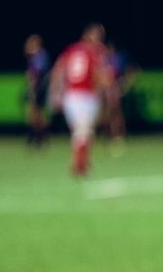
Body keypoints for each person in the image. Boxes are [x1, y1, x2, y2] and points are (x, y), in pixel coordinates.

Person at [49, 23, 111, 177]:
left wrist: (56, 91)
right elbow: (99, 74)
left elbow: (58, 69)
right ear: (89, 35)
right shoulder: (95, 52)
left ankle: (83, 163)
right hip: (85, 96)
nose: (99, 39)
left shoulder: (71, 49)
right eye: (97, 36)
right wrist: (108, 86)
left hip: (71, 96)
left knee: (82, 132)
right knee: (83, 132)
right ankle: (78, 165)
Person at [102, 41, 138, 155]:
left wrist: (124, 85)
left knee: (116, 112)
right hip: (106, 89)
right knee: (108, 113)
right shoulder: (104, 59)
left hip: (115, 88)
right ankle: (110, 135)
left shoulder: (120, 58)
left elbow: (133, 70)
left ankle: (119, 135)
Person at [24, 34, 51, 149]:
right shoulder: (34, 56)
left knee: (36, 113)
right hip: (37, 87)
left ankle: (39, 136)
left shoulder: (40, 55)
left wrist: (34, 86)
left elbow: (38, 73)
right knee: (35, 112)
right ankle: (37, 137)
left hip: (39, 87)